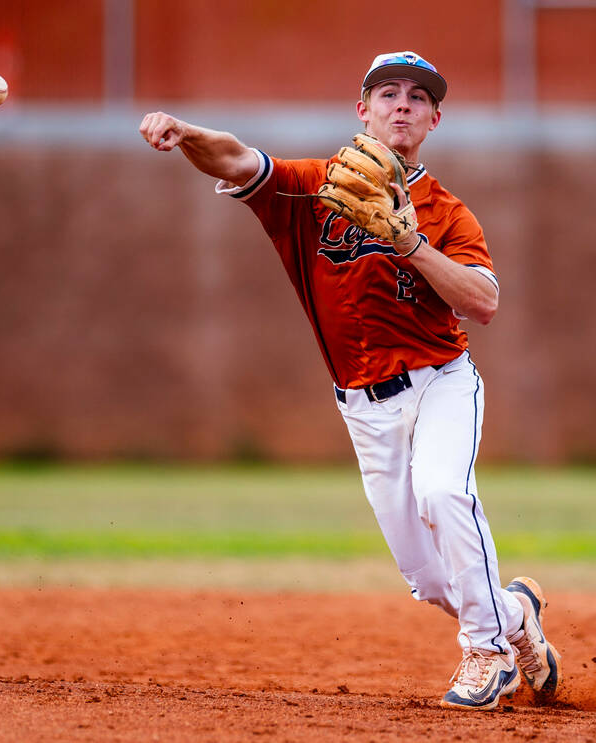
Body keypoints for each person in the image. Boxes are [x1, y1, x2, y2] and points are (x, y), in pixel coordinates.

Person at [139, 51, 560, 711]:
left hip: (440, 383)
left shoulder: (448, 213)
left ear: (434, 119)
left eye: (417, 98)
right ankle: (516, 615)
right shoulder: (313, 188)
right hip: (362, 407)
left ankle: (489, 650)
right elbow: (236, 160)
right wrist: (187, 133)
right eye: (387, 93)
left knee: (444, 489)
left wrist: (411, 244)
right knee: (427, 578)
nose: (402, 104)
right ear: (361, 109)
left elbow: (483, 302)